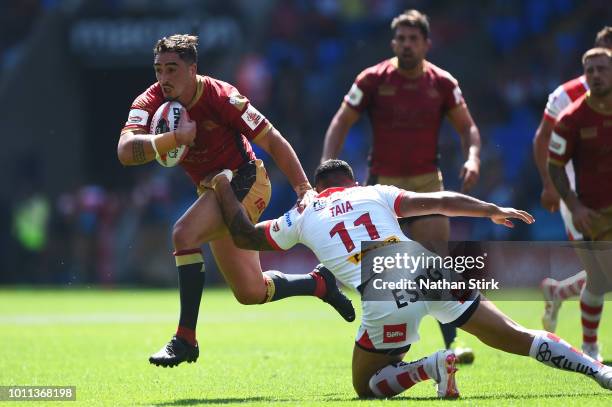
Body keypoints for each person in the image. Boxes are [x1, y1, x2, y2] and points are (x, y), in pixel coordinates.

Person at [209, 159, 612, 398]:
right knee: (515, 333)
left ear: (317, 187)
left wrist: (223, 186)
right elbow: (439, 201)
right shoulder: (375, 193)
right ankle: (598, 371)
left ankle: (431, 366)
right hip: (423, 266)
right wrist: (489, 208)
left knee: (365, 385)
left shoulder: (302, 213)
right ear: (352, 181)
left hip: (382, 288)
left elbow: (244, 234)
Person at [117, 34, 354, 368]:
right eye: (158, 70)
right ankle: (319, 284)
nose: (164, 78)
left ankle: (185, 338)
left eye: (172, 69)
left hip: (247, 181)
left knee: (184, 234)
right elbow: (125, 152)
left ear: (192, 69)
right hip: (213, 190)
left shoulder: (221, 96)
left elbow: (272, 139)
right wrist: (174, 138)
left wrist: (304, 190)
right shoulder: (151, 100)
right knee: (251, 292)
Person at [321, 9, 481, 362]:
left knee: (438, 266)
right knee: (383, 271)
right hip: (381, 190)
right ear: (393, 43)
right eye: (401, 39)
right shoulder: (372, 79)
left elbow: (468, 128)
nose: (407, 45)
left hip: (426, 184)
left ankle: (451, 345)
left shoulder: (443, 83)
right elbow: (340, 122)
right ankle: (388, 348)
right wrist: (326, 169)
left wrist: (473, 158)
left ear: (426, 43)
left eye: (414, 39)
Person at [533, 28, 612, 349]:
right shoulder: (566, 98)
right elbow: (542, 140)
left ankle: (558, 291)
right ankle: (589, 346)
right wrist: (549, 185)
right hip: (577, 194)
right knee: (601, 275)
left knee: (604, 275)